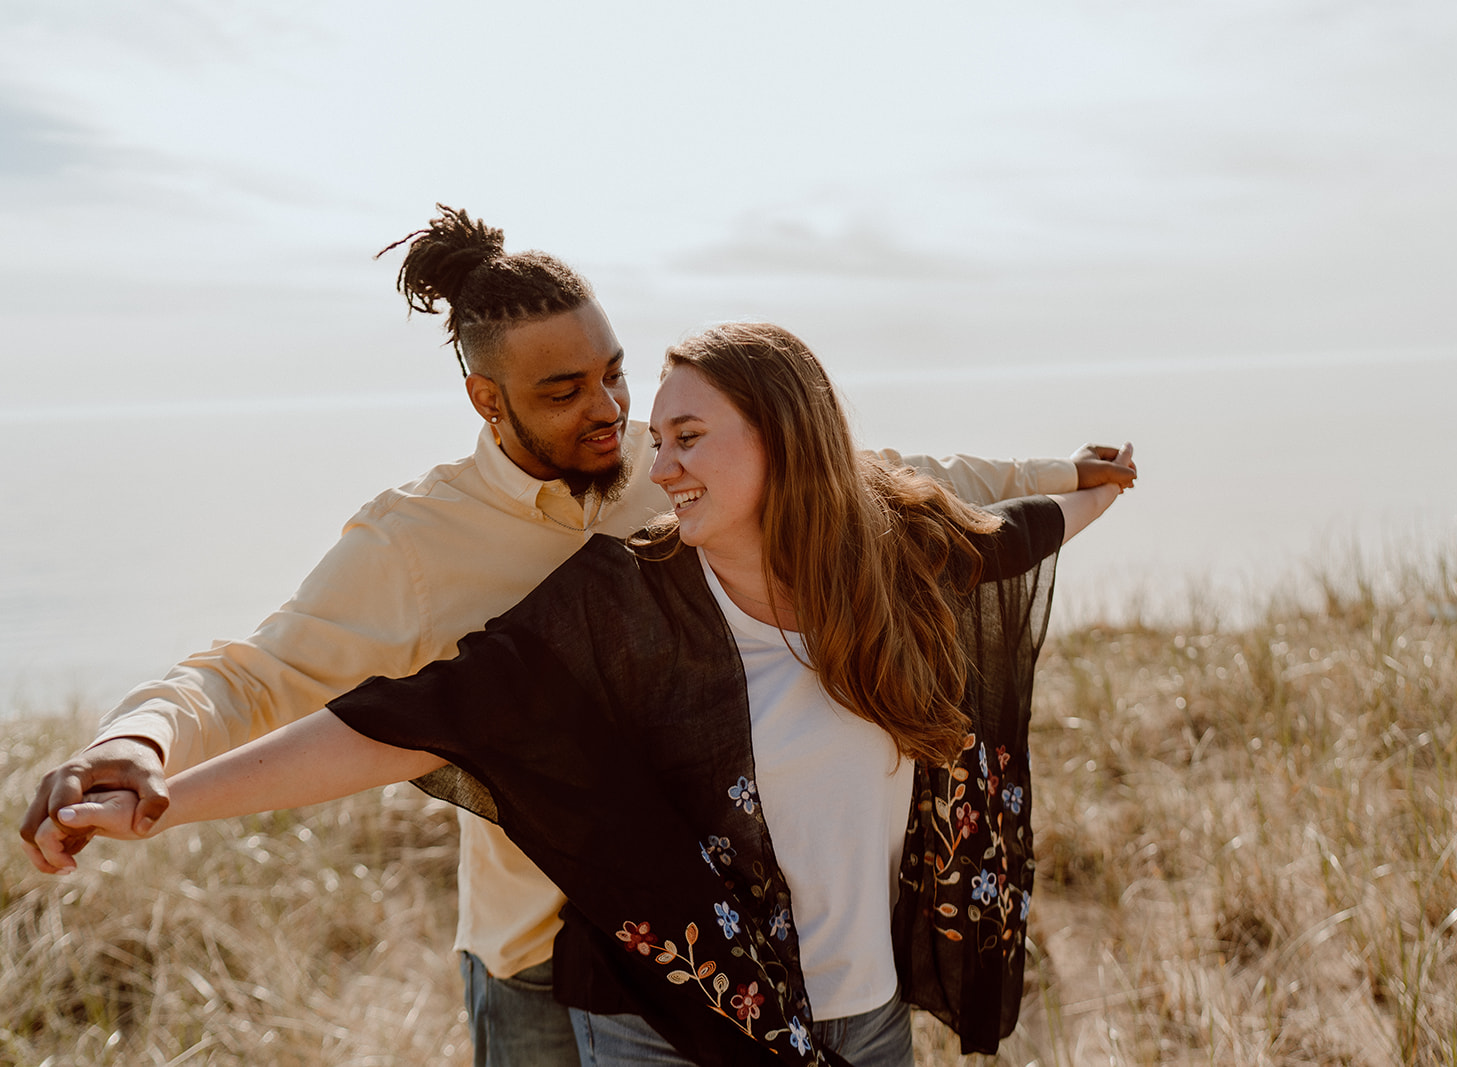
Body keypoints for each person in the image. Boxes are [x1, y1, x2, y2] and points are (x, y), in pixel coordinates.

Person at [19, 207, 1136, 1066]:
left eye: (613, 372)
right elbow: (260, 670)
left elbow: (887, 483)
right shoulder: (416, 541)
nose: (611, 410)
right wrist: (145, 739)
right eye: (565, 391)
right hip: (546, 967)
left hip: (732, 939)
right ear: (484, 400)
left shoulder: (671, 470)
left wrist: (1062, 477)